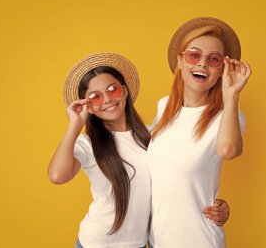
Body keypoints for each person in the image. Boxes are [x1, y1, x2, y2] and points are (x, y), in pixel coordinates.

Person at [48, 52, 231, 248]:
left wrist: (218, 206)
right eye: (95, 97)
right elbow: (58, 175)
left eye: (113, 90)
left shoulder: (153, 136)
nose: (107, 99)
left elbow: (183, 169)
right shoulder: (90, 144)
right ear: (89, 107)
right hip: (96, 243)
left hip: (140, 244)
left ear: (125, 91)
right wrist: (75, 125)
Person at [147, 17, 252, 248]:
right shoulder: (164, 107)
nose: (202, 63)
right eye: (194, 55)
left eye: (213, 59)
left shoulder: (227, 115)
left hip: (198, 241)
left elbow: (228, 150)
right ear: (180, 60)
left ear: (221, 70)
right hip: (157, 241)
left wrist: (231, 94)